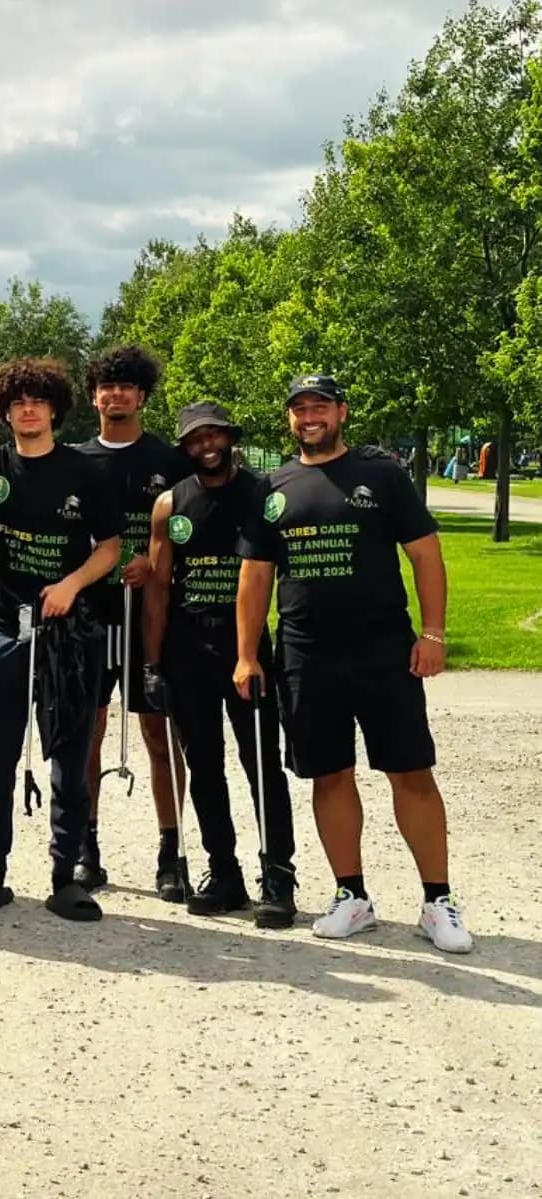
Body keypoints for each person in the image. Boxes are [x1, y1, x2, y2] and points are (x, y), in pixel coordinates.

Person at [236, 374, 470, 953]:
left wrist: (433, 633)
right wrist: (245, 654)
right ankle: (352, 895)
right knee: (329, 773)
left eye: (319, 406)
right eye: (299, 408)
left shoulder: (381, 475)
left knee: (410, 772)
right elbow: (256, 576)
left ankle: (438, 900)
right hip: (305, 655)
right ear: (289, 419)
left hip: (383, 650)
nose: (309, 416)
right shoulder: (272, 487)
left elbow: (425, 555)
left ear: (341, 412)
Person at [0, 357, 121, 921]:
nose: (28, 410)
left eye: (38, 401)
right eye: (17, 403)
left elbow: (110, 548)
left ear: (55, 409)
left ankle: (65, 876)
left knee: (69, 756)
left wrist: (71, 584)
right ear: (5, 411)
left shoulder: (86, 471)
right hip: (5, 630)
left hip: (69, 633)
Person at [143, 402, 297, 928]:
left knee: (261, 765)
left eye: (214, 436)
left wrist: (254, 649)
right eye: (195, 439)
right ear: (185, 447)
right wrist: (152, 662)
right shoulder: (170, 504)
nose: (206, 446)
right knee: (204, 765)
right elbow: (159, 589)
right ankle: (223, 871)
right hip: (188, 647)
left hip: (244, 646)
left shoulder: (261, 493)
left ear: (230, 438)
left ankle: (278, 874)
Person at [76, 345, 193, 899]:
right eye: (107, 386)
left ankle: (172, 851)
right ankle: (86, 847)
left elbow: (193, 533)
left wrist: (157, 560)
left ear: (142, 396)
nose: (116, 394)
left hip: (151, 617)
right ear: (94, 397)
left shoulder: (172, 461)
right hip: (91, 616)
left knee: (158, 733)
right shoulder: (74, 461)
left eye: (126, 386)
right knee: (88, 733)